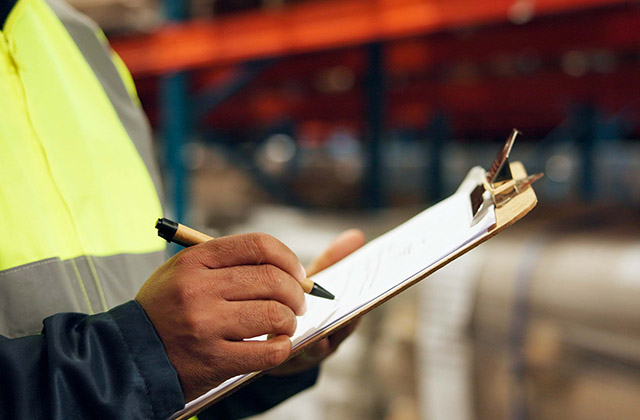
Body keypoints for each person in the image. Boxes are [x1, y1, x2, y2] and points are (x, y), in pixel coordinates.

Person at [0, 0, 365, 418]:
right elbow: (140, 358)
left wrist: (250, 363)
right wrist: (138, 357)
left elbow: (157, 386)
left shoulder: (77, 40)